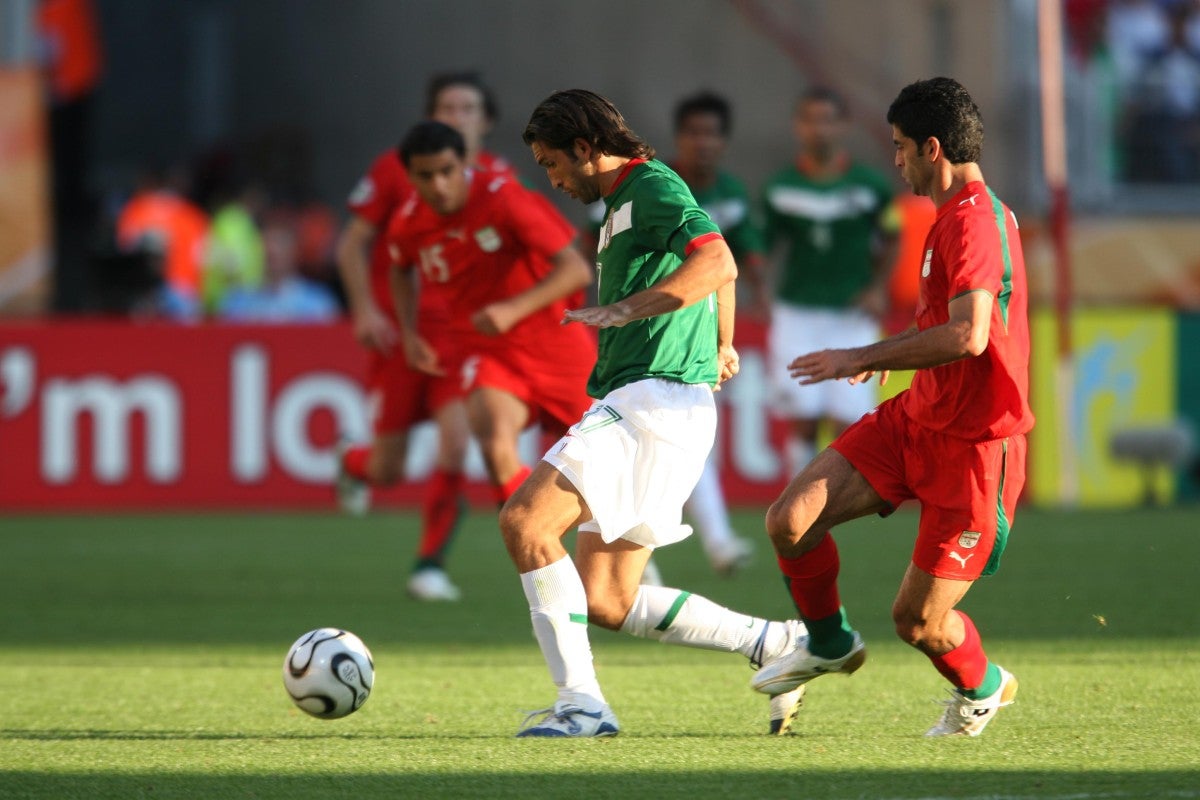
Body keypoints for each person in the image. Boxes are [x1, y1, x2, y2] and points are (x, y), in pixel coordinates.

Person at [504, 89, 806, 739]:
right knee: (605, 599)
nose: (552, 179)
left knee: (526, 523)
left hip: (650, 400)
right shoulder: (630, 200)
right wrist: (724, 341)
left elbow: (718, 259)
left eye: (551, 163)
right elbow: (716, 257)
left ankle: (582, 705)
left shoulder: (647, 185)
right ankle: (773, 641)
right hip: (665, 407)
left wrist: (624, 311)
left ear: (585, 148)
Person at [750, 77, 1034, 738]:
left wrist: (858, 357)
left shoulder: (973, 221)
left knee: (918, 623)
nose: (896, 160)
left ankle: (984, 686)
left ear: (933, 148)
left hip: (974, 447)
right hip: (915, 420)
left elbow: (969, 335)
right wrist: (887, 356)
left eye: (902, 148)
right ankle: (828, 642)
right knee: (790, 520)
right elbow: (946, 326)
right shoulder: (952, 214)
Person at [333, 71, 512, 602]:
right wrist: (365, 310)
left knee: (456, 446)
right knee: (388, 467)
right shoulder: (397, 167)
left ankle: (428, 566)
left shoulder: (501, 179)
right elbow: (352, 245)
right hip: (403, 335)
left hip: (463, 338)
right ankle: (351, 460)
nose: (456, 116)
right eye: (446, 107)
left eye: (467, 108)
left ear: (486, 121)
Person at [385, 121, 595, 515]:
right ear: (410, 176)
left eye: (447, 172)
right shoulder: (407, 223)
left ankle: (610, 553)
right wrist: (409, 333)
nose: (439, 186)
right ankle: (539, 553)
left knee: (598, 467)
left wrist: (513, 308)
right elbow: (398, 268)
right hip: (487, 352)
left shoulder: (504, 198)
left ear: (464, 163)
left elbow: (576, 270)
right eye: (425, 176)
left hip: (556, 344)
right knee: (496, 445)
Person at [756, 87, 898, 478]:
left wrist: (877, 287)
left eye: (827, 120)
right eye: (810, 120)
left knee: (848, 420)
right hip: (796, 311)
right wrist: (758, 287)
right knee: (803, 416)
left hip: (852, 315)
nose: (819, 129)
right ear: (798, 126)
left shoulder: (870, 185)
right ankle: (797, 500)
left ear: (843, 125)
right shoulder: (780, 188)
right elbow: (761, 247)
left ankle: (833, 499)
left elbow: (892, 236)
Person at [662, 90, 762, 575]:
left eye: (711, 134)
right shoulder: (657, 186)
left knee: (683, 437)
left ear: (723, 142)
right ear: (679, 138)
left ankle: (715, 541)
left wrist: (742, 324)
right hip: (653, 329)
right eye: (693, 133)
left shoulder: (732, 195)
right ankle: (702, 542)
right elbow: (588, 244)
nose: (702, 143)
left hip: (699, 334)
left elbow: (743, 259)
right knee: (662, 439)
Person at [218, 221, 339, 323]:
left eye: (280, 243)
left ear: (294, 251)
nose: (272, 251)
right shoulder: (237, 300)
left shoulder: (318, 302)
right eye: (267, 243)